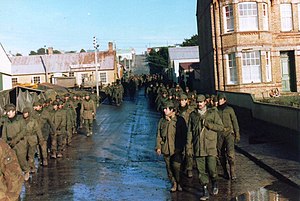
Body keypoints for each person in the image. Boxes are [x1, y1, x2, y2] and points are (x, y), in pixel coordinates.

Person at [186, 95, 224, 200]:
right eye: (198, 102)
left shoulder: (213, 113)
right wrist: (188, 146)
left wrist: (209, 125)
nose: (199, 104)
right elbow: (189, 132)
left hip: (210, 147)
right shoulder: (193, 115)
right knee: (201, 171)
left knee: (212, 169)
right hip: (198, 147)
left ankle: (215, 182)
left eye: (201, 102)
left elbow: (220, 127)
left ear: (205, 103)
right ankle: (205, 190)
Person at [155, 101, 187, 192]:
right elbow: (159, 135)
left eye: (166, 109)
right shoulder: (162, 121)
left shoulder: (180, 120)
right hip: (166, 149)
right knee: (169, 169)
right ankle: (174, 183)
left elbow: (184, 135)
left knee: (177, 167)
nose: (164, 110)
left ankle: (179, 182)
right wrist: (158, 147)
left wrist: (182, 147)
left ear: (172, 110)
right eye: (164, 109)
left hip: (177, 149)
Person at [2, 104, 30, 181]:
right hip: (10, 143)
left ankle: (26, 170)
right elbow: (4, 134)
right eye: (7, 112)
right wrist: (4, 144)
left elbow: (24, 131)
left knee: (21, 160)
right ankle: (15, 175)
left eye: (9, 111)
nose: (8, 113)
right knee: (11, 161)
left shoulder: (20, 120)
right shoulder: (6, 122)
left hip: (20, 143)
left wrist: (16, 140)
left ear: (14, 111)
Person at [217, 93, 240, 180]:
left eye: (221, 99)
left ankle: (232, 171)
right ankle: (225, 171)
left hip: (229, 133)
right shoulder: (216, 111)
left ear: (224, 100)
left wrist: (237, 134)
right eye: (219, 99)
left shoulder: (230, 110)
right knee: (220, 154)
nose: (219, 101)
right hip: (219, 134)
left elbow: (235, 122)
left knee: (230, 154)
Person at [22, 107, 44, 173]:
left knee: (30, 155)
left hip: (32, 139)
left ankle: (31, 167)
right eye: (23, 113)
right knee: (24, 154)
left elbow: (38, 130)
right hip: (24, 139)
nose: (24, 114)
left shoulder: (33, 121)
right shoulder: (21, 120)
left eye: (26, 113)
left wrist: (41, 139)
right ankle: (28, 168)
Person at [178, 93, 194, 178]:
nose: (181, 102)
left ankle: (189, 169)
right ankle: (182, 166)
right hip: (180, 133)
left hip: (189, 133)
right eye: (180, 100)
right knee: (181, 152)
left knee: (189, 152)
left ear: (186, 101)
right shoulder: (177, 111)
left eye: (183, 100)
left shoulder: (191, 111)